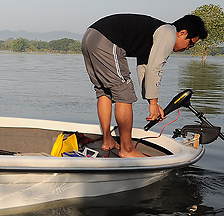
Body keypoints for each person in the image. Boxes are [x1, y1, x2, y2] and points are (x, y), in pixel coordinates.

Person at [81, 13, 208, 158]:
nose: (188, 48)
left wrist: (152, 102)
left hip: (90, 36)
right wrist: (153, 103)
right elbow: (156, 68)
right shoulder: (168, 33)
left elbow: (144, 68)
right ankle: (127, 149)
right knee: (124, 93)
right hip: (107, 40)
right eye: (191, 43)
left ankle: (108, 140)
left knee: (104, 91)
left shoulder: (155, 33)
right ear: (182, 33)